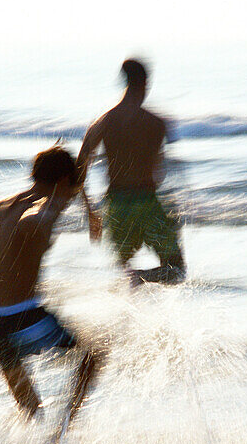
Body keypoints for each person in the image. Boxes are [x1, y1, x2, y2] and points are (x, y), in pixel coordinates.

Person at [0, 146, 101, 438]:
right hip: (24, 318)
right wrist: (38, 227)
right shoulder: (45, 210)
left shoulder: (8, 204)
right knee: (93, 357)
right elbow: (36, 218)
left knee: (32, 414)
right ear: (61, 181)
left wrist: (88, 209)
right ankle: (65, 428)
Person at [76, 58, 186, 285]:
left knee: (125, 272)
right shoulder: (157, 123)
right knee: (176, 271)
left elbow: (79, 171)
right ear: (146, 82)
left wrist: (91, 214)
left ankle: (131, 291)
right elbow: (168, 172)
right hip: (147, 202)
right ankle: (141, 278)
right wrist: (174, 210)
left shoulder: (103, 121)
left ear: (124, 81)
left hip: (116, 206)